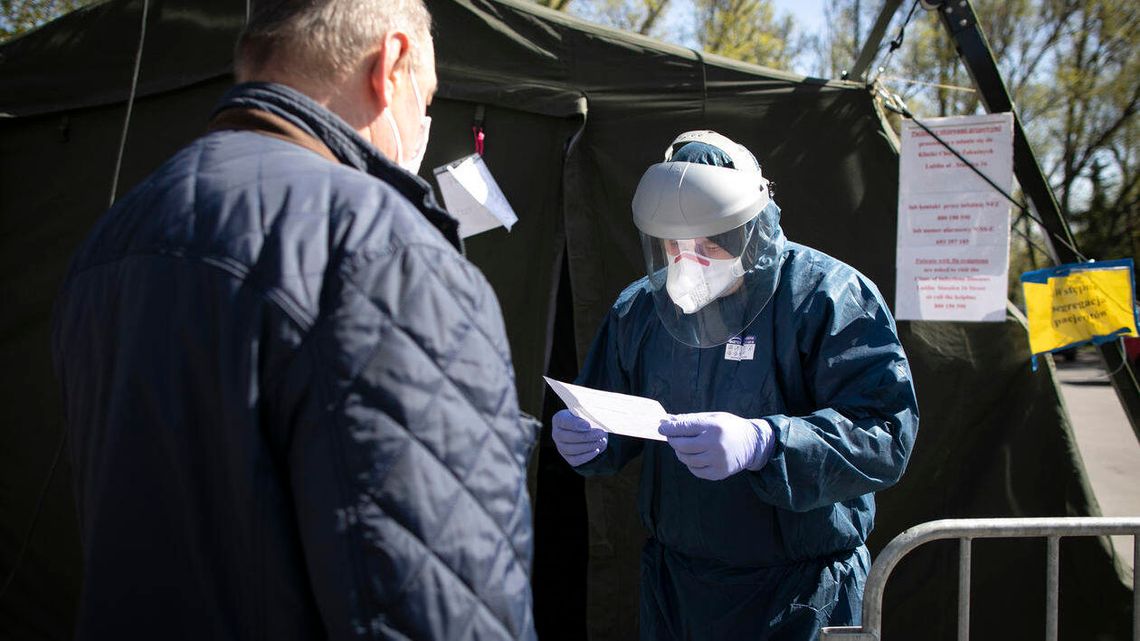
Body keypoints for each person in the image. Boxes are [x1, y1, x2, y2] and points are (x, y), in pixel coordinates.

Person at [50, 1, 537, 639]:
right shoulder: (384, 251)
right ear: (389, 66)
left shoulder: (114, 237)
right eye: (429, 97)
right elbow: (441, 606)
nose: (424, 120)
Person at [551, 131, 919, 640]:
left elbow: (884, 434)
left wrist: (767, 443)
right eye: (674, 245)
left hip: (801, 594)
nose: (690, 259)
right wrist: (590, 439)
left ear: (751, 229)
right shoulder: (641, 309)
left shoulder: (826, 296)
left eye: (709, 242)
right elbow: (611, 412)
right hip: (677, 588)